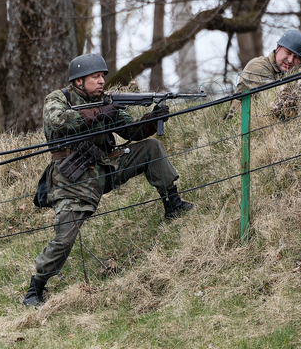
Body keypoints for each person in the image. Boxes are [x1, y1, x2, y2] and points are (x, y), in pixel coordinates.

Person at [22, 54, 194, 306]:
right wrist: (98, 113)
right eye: (96, 76)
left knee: (152, 147)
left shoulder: (107, 101)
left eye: (103, 76)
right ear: (79, 81)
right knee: (65, 237)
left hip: (106, 167)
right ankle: (36, 286)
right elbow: (57, 122)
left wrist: (150, 121)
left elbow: (130, 131)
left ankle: (173, 204)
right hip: (73, 179)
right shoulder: (60, 99)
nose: (102, 81)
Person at [224, 29, 301, 119]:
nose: (290, 60)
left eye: (297, 57)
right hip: (244, 125)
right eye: (288, 53)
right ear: (278, 47)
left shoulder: (288, 75)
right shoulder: (257, 66)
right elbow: (275, 96)